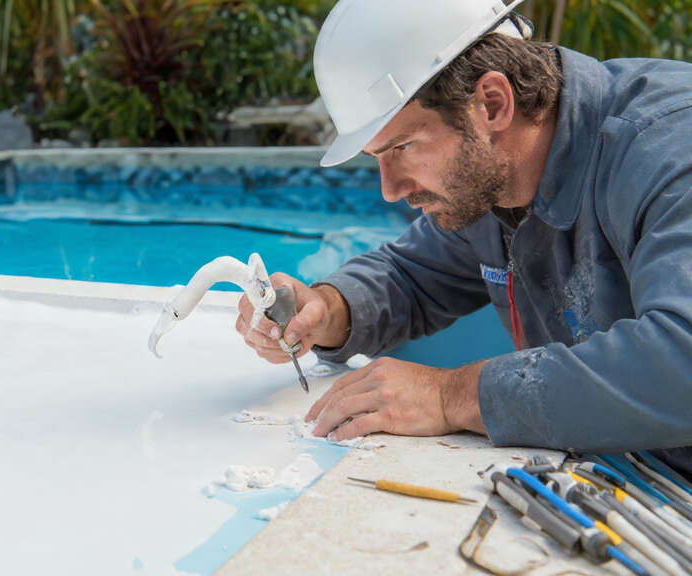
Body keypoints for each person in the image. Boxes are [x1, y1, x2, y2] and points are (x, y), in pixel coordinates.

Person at [234, 0, 692, 478]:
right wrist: (328, 310)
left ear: (492, 104)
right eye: (377, 157)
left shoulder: (670, 149)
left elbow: (684, 361)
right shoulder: (494, 182)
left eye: (403, 148)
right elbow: (409, 276)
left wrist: (451, 396)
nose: (389, 189)